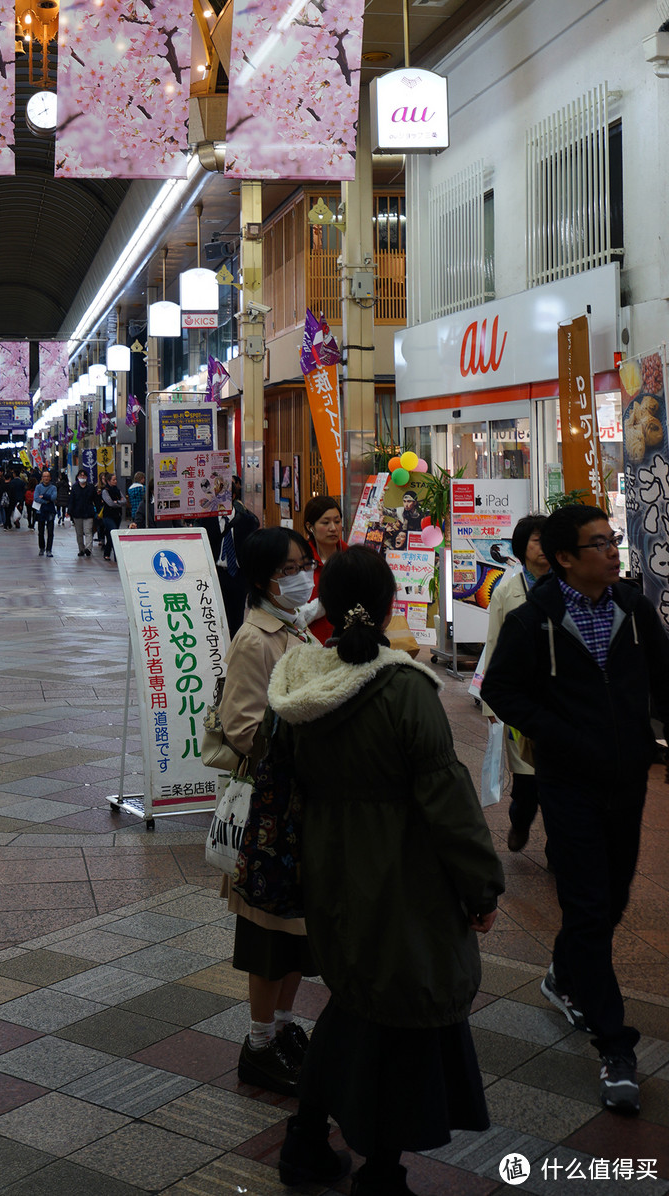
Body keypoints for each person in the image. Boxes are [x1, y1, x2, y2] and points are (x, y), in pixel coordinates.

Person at [271, 546, 504, 1192]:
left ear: (323, 596)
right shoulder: (404, 690)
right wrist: (482, 884)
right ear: (388, 605)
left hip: (327, 867)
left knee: (352, 1001)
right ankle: (382, 1171)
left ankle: (306, 1140)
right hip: (403, 877)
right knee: (401, 1018)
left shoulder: (297, 684)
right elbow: (449, 801)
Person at [482, 504, 669, 1117]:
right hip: (568, 785)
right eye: (600, 543)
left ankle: (565, 973)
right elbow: (500, 689)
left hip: (628, 779)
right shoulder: (537, 617)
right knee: (589, 904)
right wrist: (558, 735)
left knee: (610, 900)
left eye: (613, 540)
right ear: (565, 558)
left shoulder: (635, 611)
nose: (614, 551)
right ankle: (614, 1045)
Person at [217, 527, 317, 1097]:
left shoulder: (295, 625)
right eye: (288, 569)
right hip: (271, 814)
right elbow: (241, 728)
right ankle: (257, 1046)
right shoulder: (255, 639)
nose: (301, 576)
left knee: (298, 932)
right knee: (269, 936)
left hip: (301, 807)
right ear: (261, 581)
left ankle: (280, 1029)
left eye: (303, 564)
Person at [475, 513, 550, 852]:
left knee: (556, 783)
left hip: (555, 699)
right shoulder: (506, 589)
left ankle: (557, 850)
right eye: (536, 540)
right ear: (522, 549)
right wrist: (491, 704)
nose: (544, 547)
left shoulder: (566, 585)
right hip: (520, 705)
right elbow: (493, 645)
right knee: (526, 783)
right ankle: (521, 819)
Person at [203, 493, 260, 635]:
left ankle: (234, 647)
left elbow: (252, 550)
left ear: (233, 496)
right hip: (216, 574)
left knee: (237, 617)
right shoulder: (206, 520)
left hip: (238, 574)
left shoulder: (247, 520)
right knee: (216, 614)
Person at [302, 494, 345, 640]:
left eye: (337, 521)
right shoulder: (299, 562)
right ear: (310, 527)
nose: (333, 528)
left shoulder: (352, 558)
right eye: (325, 523)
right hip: (311, 645)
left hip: (348, 644)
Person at [69, 467, 98, 557]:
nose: (82, 476)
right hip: (77, 513)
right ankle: (81, 549)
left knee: (88, 531)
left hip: (88, 513)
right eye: (80, 475)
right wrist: (69, 511)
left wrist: (98, 510)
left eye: (84, 475)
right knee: (79, 533)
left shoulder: (91, 487)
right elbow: (71, 500)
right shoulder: (74, 487)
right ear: (77, 477)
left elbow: (95, 500)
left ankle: (88, 549)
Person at [97, 475, 124, 561]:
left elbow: (124, 501)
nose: (115, 481)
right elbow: (110, 503)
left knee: (110, 535)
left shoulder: (118, 490)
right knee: (114, 532)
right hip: (108, 516)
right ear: (108, 481)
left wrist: (118, 502)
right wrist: (118, 503)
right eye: (113, 480)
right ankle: (117, 555)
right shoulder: (105, 491)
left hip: (117, 515)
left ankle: (107, 552)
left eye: (116, 479)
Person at [33, 468, 58, 556]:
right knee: (40, 531)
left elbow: (53, 498)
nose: (46, 478)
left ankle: (49, 550)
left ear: (50, 478)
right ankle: (42, 548)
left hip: (50, 511)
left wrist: (43, 496)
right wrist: (46, 501)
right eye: (44, 476)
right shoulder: (38, 487)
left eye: (47, 476)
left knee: (50, 531)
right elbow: (36, 498)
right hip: (41, 511)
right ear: (42, 478)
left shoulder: (53, 487)